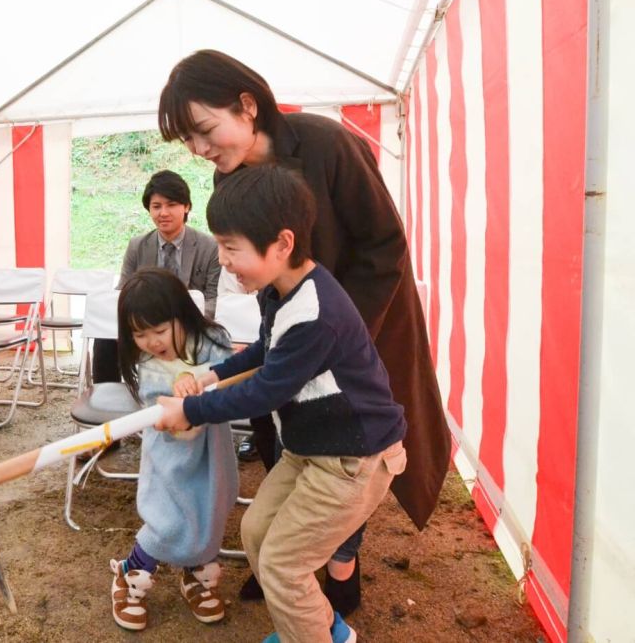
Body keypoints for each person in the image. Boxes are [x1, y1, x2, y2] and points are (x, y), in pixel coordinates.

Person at [158, 49, 450, 612]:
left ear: (246, 105)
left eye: (203, 131)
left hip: (364, 325)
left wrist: (334, 337)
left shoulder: (327, 145)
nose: (199, 150)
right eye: (187, 141)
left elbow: (384, 245)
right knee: (286, 442)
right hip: (288, 334)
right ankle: (292, 555)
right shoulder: (228, 185)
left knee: (346, 449)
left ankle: (340, 566)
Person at [155, 165, 407, 643]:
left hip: (351, 459)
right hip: (312, 447)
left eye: (232, 248)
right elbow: (265, 351)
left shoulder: (316, 313)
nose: (223, 260)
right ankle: (323, 630)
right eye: (220, 246)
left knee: (283, 565)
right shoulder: (280, 291)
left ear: (282, 243)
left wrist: (188, 412)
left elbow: (267, 388)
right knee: (256, 534)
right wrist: (209, 375)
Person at [108, 268, 236, 632]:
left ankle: (196, 576)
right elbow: (165, 413)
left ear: (182, 314)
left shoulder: (212, 339)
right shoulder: (146, 365)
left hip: (211, 453)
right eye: (139, 334)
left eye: (159, 330)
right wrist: (182, 397)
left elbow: (227, 374)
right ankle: (130, 575)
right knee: (167, 521)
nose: (151, 341)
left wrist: (204, 380)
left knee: (208, 511)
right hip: (170, 453)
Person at [92, 169, 222, 383]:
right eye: (156, 206)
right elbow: (123, 291)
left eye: (171, 205)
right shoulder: (137, 246)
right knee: (105, 339)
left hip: (190, 328)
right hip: (146, 327)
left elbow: (214, 298)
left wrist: (181, 324)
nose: (163, 213)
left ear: (186, 206)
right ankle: (107, 397)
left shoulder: (209, 247)